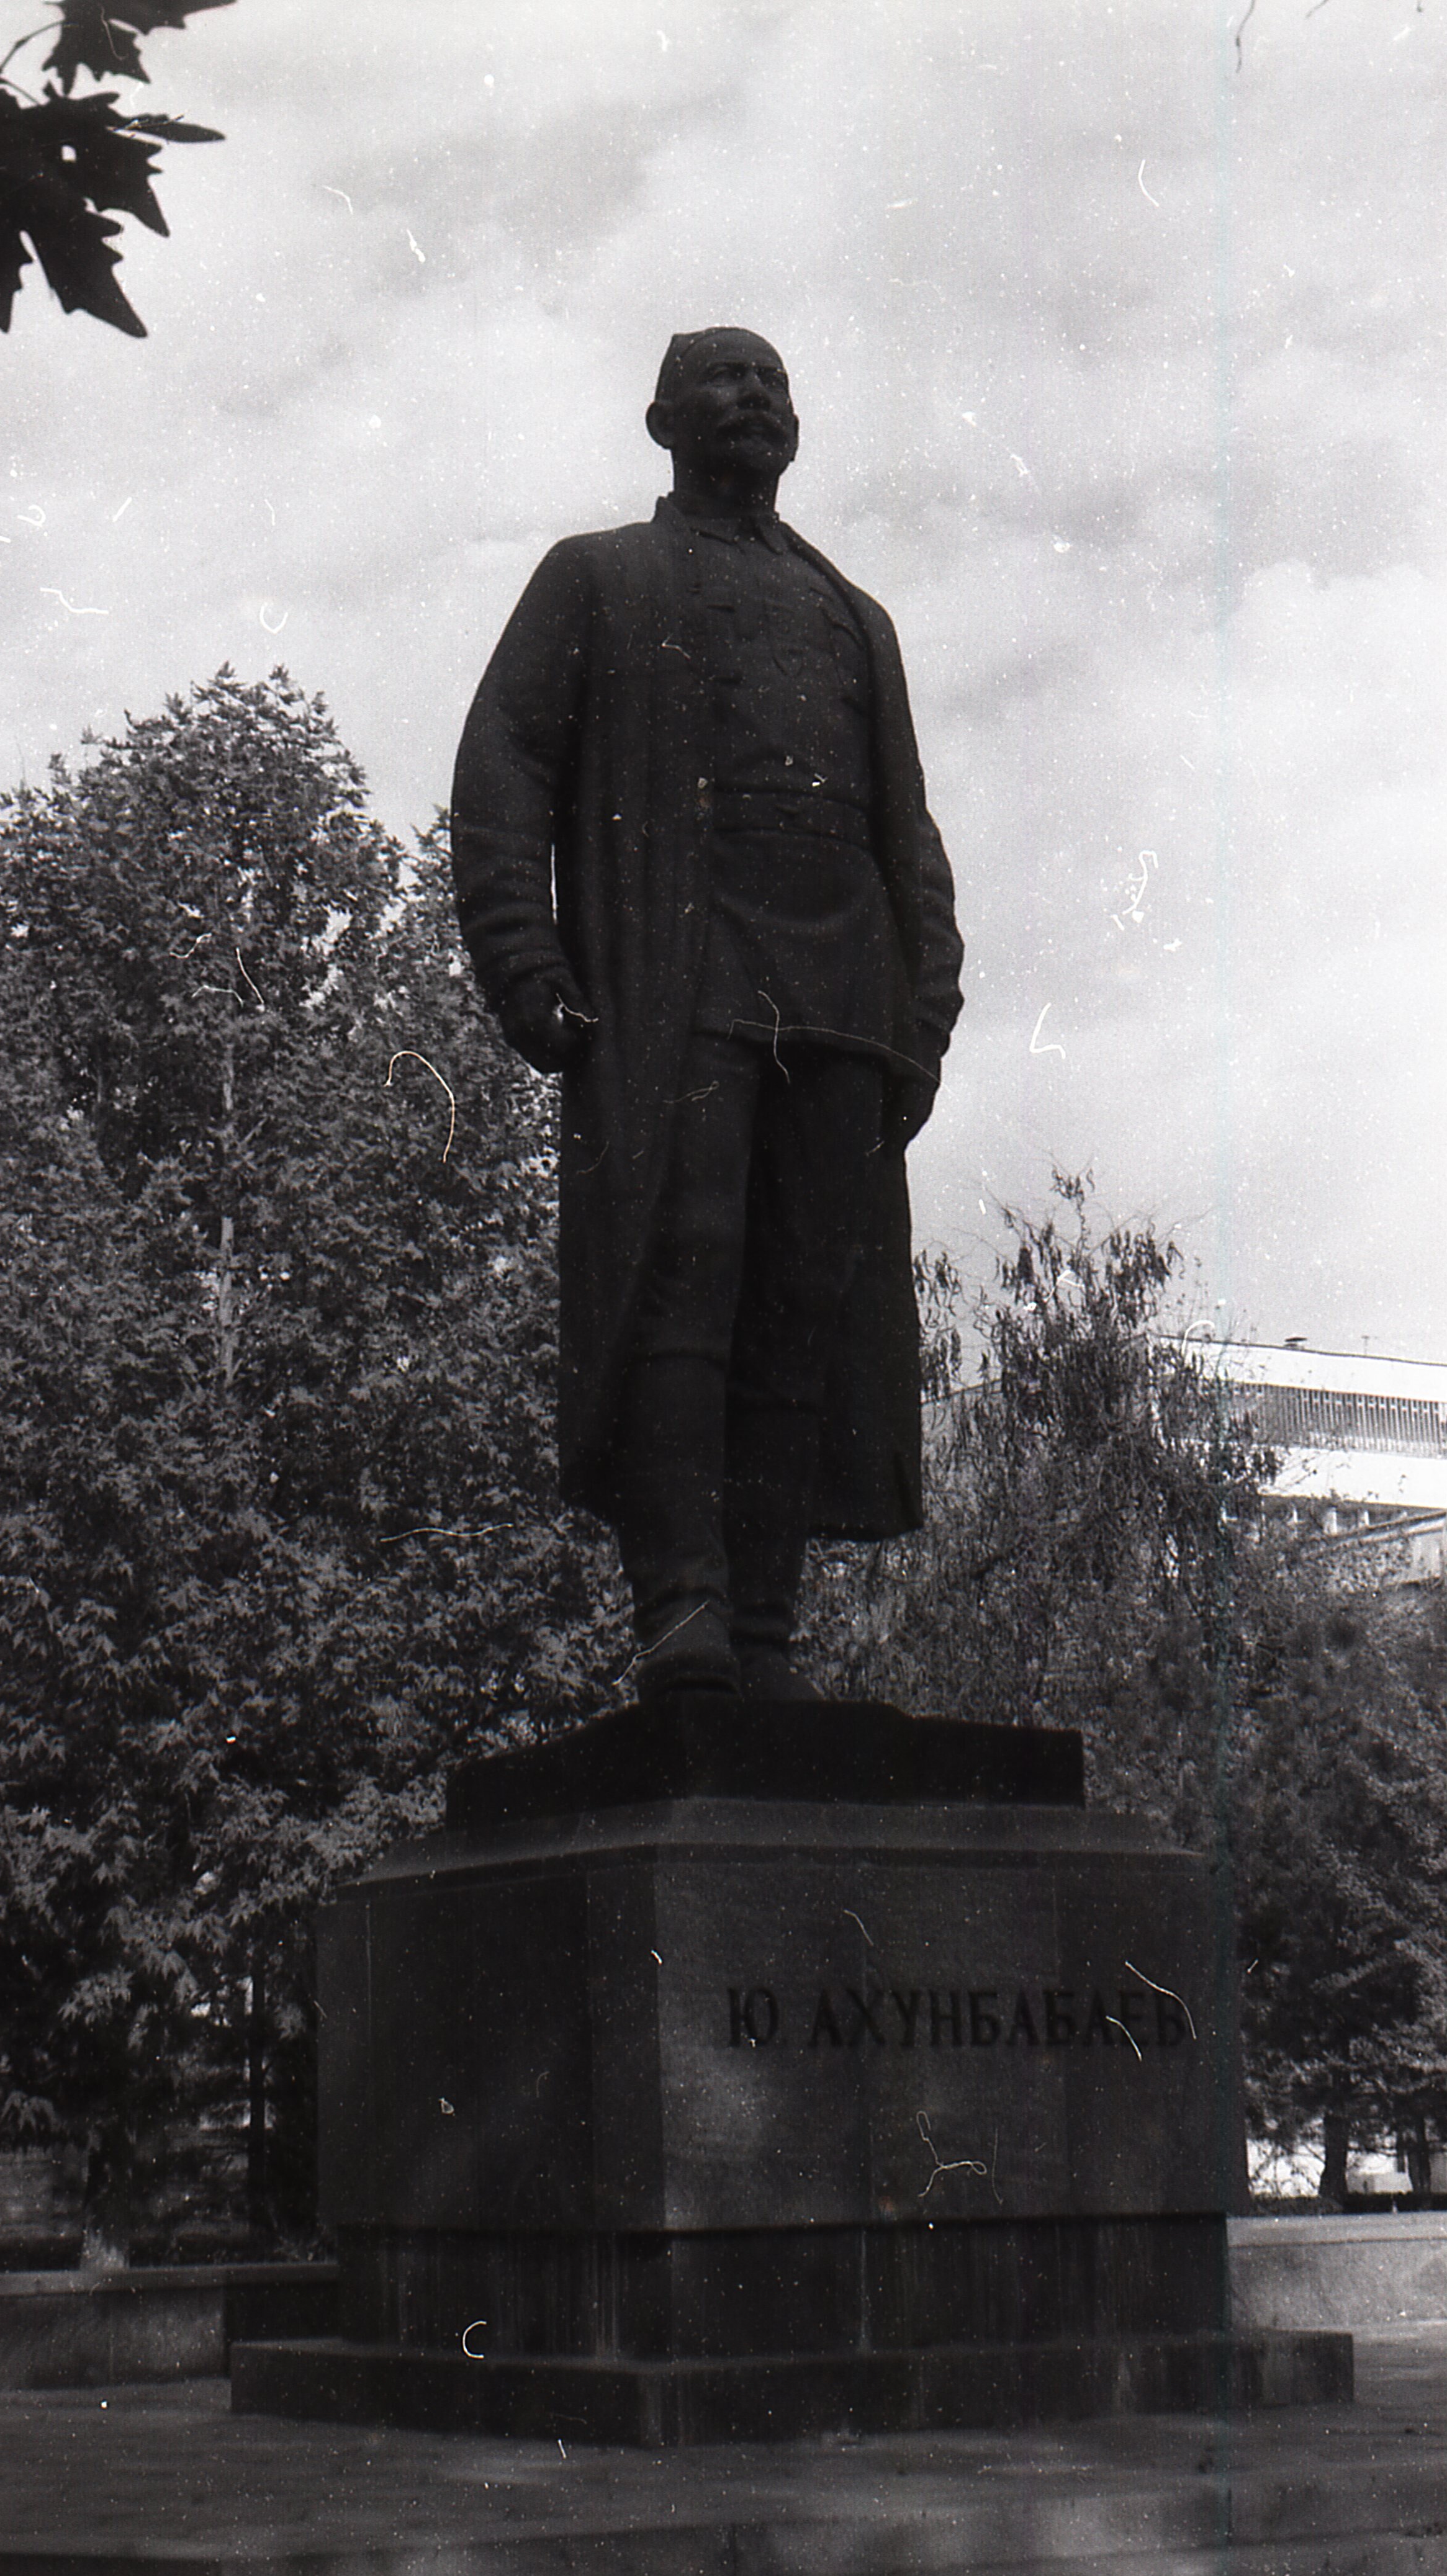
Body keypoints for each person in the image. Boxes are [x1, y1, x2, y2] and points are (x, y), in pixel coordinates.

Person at [451, 328, 963, 1700]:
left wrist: (924, 1011)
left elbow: (907, 834)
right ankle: (682, 1604)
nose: (755, 399)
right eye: (725, 380)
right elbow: (504, 763)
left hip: (842, 1001)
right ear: (660, 419)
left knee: (804, 1307)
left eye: (775, 382)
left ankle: (767, 1630)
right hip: (681, 984)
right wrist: (523, 955)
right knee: (684, 1278)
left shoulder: (858, 618)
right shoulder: (597, 577)